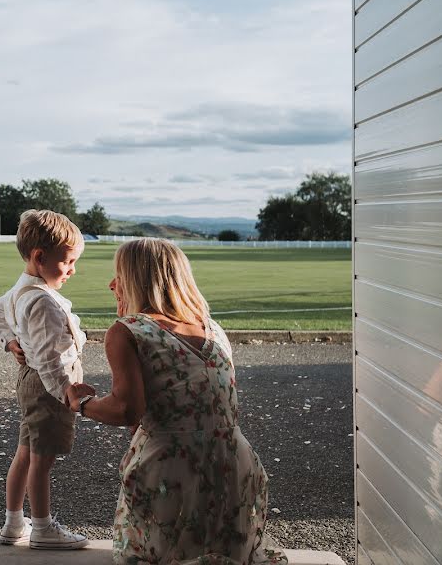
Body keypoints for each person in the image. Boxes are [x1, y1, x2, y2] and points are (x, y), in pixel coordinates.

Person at [66, 238, 287, 564]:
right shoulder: (212, 328)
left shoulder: (127, 331)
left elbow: (127, 409)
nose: (112, 284)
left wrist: (81, 404)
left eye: (120, 275)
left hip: (172, 470)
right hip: (233, 464)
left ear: (140, 280)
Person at [0, 209, 90, 550]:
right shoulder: (42, 300)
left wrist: (10, 341)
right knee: (42, 460)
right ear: (40, 257)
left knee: (26, 452)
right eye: (68, 262)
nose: (73, 270)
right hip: (48, 385)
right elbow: (48, 357)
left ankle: (15, 523)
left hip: (31, 380)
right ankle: (43, 528)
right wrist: (67, 392)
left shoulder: (23, 288)